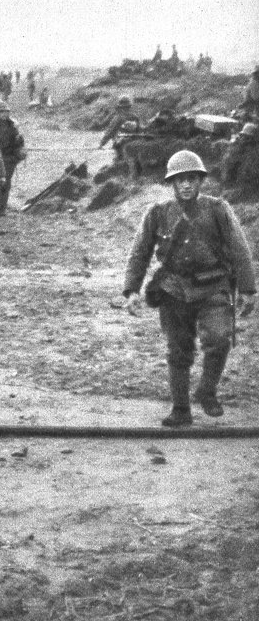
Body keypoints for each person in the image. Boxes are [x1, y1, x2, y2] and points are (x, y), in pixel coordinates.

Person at [123, 151, 257, 426]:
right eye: (180, 180)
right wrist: (132, 290)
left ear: (200, 181)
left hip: (213, 287)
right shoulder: (158, 213)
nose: (186, 185)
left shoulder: (218, 209)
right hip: (173, 289)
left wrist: (247, 289)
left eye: (192, 179)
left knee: (219, 338)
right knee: (178, 350)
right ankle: (181, 409)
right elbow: (140, 252)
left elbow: (239, 248)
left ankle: (207, 390)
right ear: (172, 183)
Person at [0, 101, 25, 215]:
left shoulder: (13, 126)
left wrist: (19, 142)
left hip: (8, 158)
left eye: (6, 112)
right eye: (1, 112)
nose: (4, 114)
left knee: (5, 183)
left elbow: (18, 143)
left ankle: (2, 209)